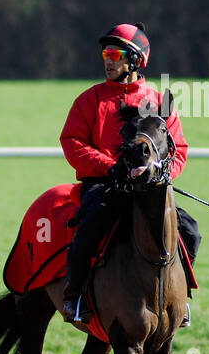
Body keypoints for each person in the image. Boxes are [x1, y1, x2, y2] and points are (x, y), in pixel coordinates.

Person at [60, 22, 199, 324]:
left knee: (189, 230)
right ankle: (75, 296)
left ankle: (179, 296)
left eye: (115, 53)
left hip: (149, 187)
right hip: (104, 184)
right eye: (105, 54)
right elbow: (72, 142)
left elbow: (180, 149)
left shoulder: (160, 103)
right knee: (92, 225)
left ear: (135, 60)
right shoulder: (89, 100)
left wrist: (160, 173)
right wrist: (108, 166)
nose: (108, 60)